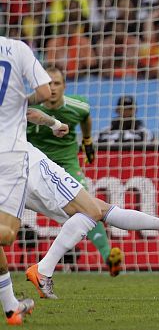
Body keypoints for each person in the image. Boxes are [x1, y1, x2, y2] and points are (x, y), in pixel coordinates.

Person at [22, 111, 159, 299]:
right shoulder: (15, 93)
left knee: (99, 209)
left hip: (10, 174)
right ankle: (43, 270)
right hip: (28, 162)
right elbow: (30, 110)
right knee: (92, 211)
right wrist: (55, 124)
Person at [26, 66, 123, 276]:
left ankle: (108, 256)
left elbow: (85, 117)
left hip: (67, 164)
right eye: (48, 84)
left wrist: (87, 141)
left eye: (57, 83)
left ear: (64, 86)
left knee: (89, 205)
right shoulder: (30, 111)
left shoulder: (77, 105)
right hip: (36, 166)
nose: (52, 88)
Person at [0, 35, 53, 325]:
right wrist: (21, 101)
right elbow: (44, 92)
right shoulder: (17, 48)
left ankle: (11, 307)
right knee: (7, 234)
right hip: (9, 153)